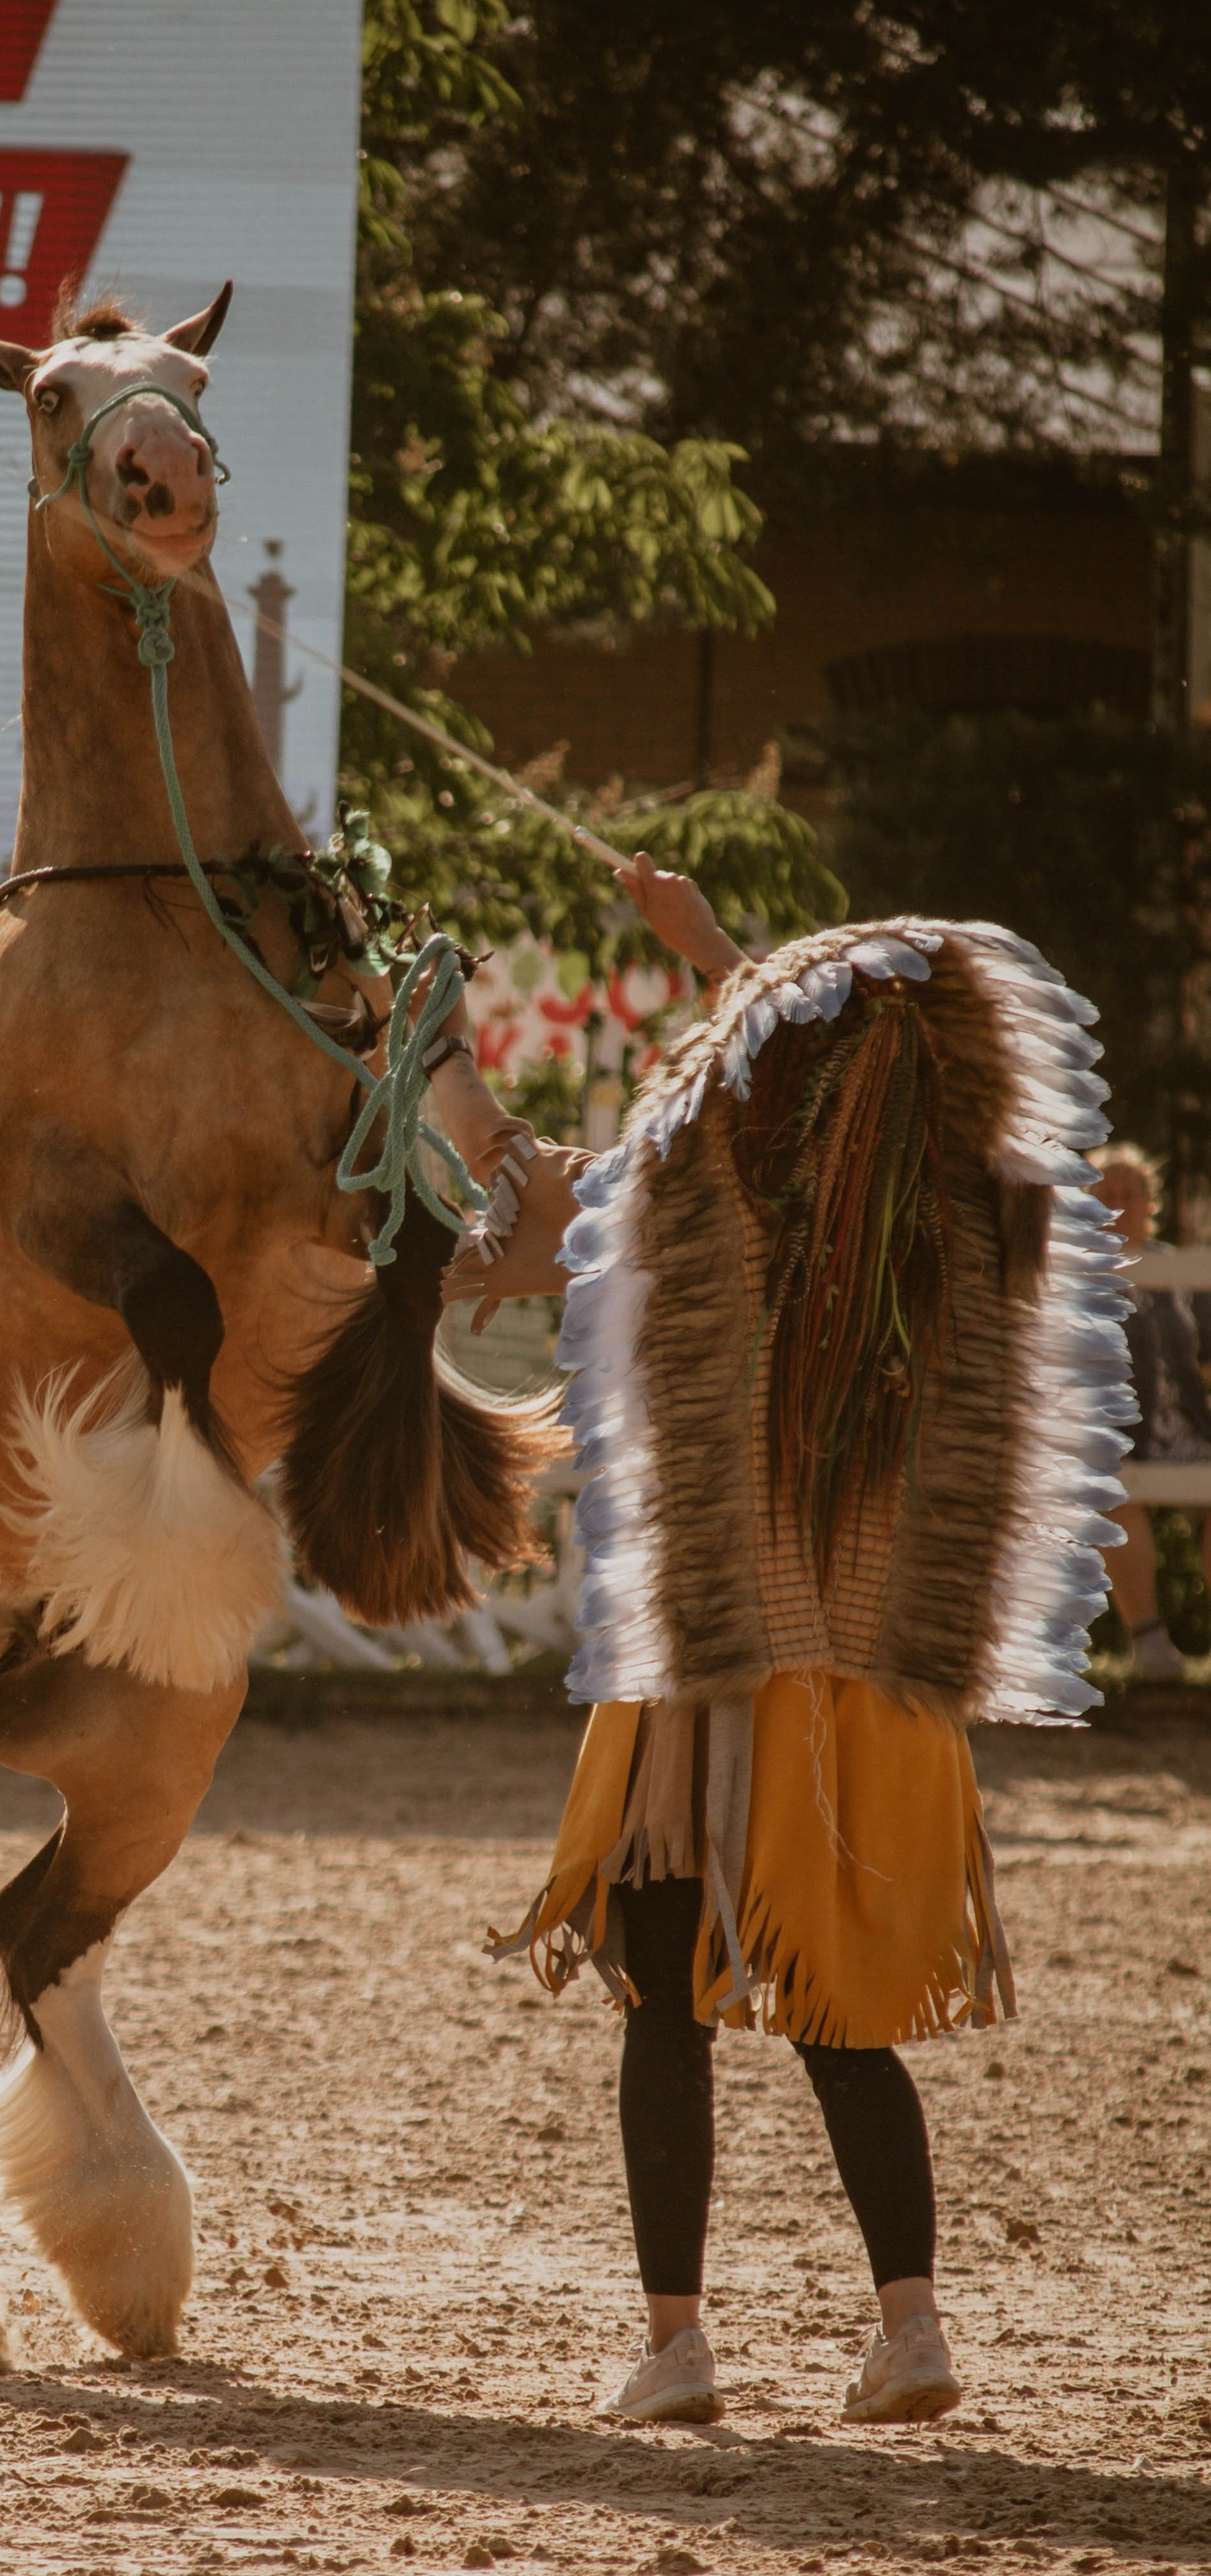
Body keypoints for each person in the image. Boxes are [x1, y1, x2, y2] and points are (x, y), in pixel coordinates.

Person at [456, 858, 1132, 2428]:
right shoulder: (953, 1252)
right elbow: (826, 1093)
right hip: (863, 1684)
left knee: (661, 1993)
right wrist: (711, 953)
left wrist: (693, 961)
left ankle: (676, 2344)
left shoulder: (714, 1226)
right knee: (842, 2022)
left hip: (707, 1674)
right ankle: (910, 2328)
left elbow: (662, 1171)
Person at [1094, 1142, 1210, 1681]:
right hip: (1119, 1434)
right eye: (1106, 1192)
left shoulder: (1181, 1270)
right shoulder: (1081, 1272)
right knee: (1109, 1489)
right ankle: (1151, 1643)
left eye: (1129, 1192)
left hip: (1190, 1431)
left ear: (1149, 1201)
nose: (1118, 1202)